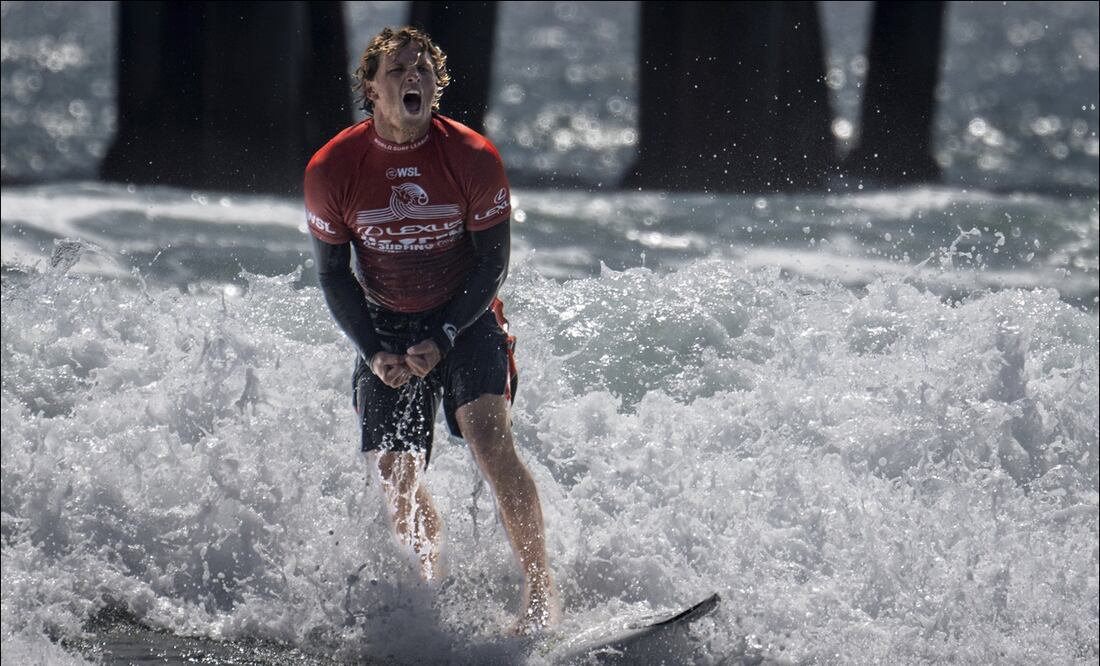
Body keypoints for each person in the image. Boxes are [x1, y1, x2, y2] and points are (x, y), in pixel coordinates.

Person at [304, 26, 558, 633]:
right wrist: (372, 350)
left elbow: (493, 264)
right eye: (397, 71)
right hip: (385, 320)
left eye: (422, 69)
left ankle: (540, 590)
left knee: (488, 439)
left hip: (465, 314)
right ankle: (428, 593)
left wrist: (444, 332)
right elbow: (334, 276)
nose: (412, 78)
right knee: (396, 469)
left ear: (436, 85)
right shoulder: (334, 167)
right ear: (372, 88)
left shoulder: (471, 157)